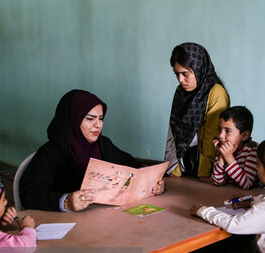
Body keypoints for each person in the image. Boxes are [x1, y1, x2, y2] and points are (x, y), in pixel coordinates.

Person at [19, 89, 164, 212]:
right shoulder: (51, 152)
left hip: (100, 220)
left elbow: (132, 166)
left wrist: (154, 183)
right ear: (73, 120)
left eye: (101, 119)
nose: (98, 125)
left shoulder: (103, 145)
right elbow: (29, 192)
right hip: (65, 224)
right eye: (90, 119)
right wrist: (66, 202)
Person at [165, 43, 230, 179]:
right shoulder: (180, 92)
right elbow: (174, 130)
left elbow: (212, 137)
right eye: (177, 74)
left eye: (185, 74)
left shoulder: (216, 93)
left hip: (207, 170)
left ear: (199, 68)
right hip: (182, 165)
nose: (180, 80)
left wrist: (204, 175)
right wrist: (173, 169)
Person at [211, 106, 259, 189]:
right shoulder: (223, 148)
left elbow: (247, 184)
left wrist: (229, 157)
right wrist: (222, 156)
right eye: (219, 129)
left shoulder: (253, 150)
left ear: (244, 135)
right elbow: (217, 182)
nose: (220, 136)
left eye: (228, 131)